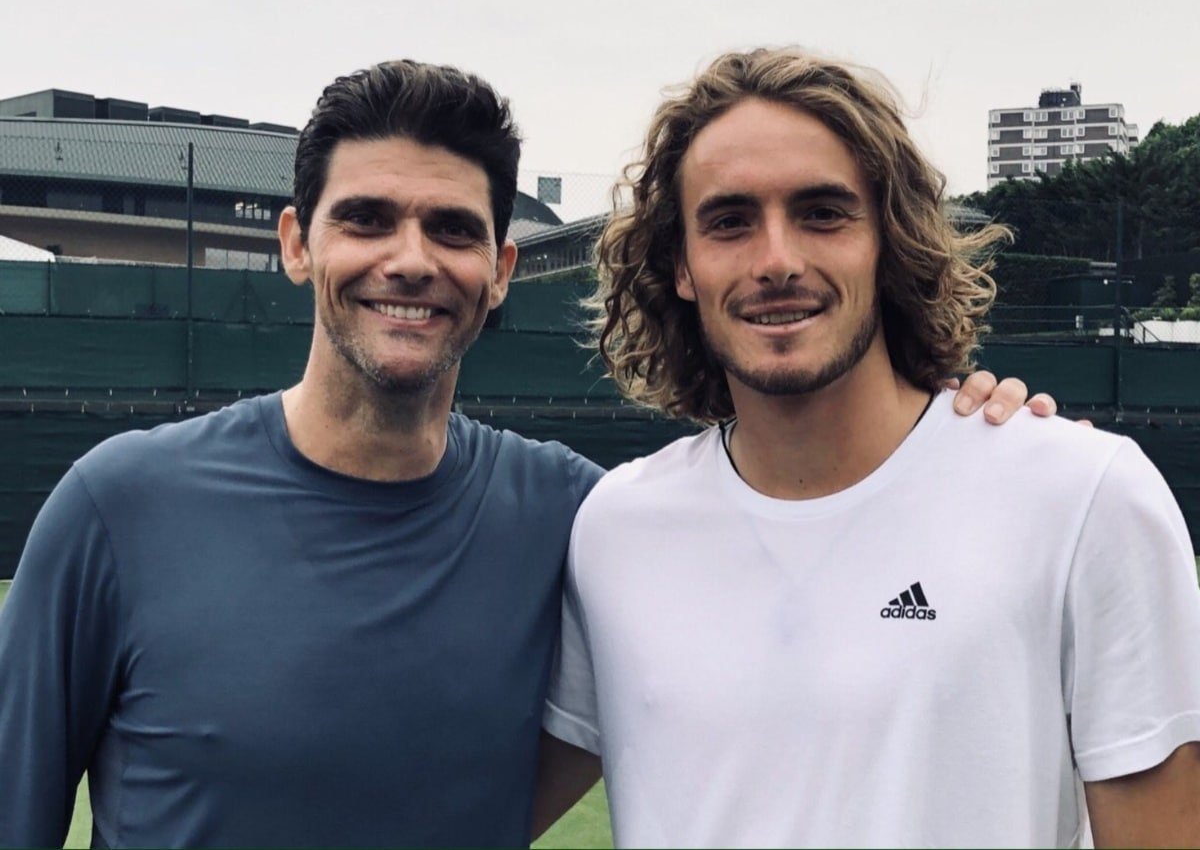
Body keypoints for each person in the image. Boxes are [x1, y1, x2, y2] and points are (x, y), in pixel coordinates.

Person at [0, 59, 1038, 848]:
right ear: (296, 243)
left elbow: (823, 542)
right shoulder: (117, 510)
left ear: (499, 269)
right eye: (366, 219)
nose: (410, 259)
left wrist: (965, 431)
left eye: (451, 230)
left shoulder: (586, 522)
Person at [541, 48, 1200, 848]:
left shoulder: (1083, 495)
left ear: (887, 239)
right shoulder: (616, 527)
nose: (777, 260)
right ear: (681, 264)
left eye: (823, 213)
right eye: (729, 221)